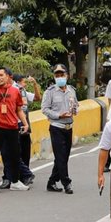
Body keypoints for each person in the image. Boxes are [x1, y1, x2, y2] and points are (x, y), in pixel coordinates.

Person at [40, 64, 78, 194]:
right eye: (57, 75)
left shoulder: (71, 90)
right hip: (57, 127)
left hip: (69, 127)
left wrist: (74, 110)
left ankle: (51, 182)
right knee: (61, 156)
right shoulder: (50, 92)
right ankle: (66, 182)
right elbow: (44, 109)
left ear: (67, 75)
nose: (60, 77)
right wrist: (58, 115)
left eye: (62, 74)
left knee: (63, 156)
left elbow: (76, 104)